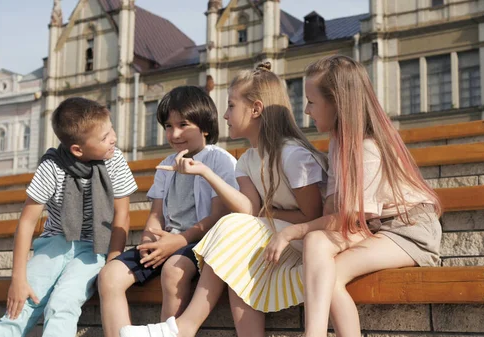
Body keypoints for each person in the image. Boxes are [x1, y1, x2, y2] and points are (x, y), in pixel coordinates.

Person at [120, 62, 328, 337]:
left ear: (255, 109)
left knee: (233, 230)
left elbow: (313, 217)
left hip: (311, 242)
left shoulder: (293, 156)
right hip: (280, 239)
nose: (225, 115)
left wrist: (269, 213)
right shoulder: (247, 160)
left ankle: (183, 328)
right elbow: (250, 210)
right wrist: (206, 172)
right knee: (237, 263)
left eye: (231, 106)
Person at [269, 54, 442, 337]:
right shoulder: (338, 140)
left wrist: (293, 231)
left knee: (330, 271)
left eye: (311, 102)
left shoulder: (367, 147)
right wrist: (310, 236)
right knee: (316, 244)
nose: (307, 111)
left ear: (337, 102)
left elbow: (352, 215)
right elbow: (333, 207)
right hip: (370, 225)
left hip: (407, 229)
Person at [0, 97, 137, 337]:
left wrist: (113, 260)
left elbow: (122, 215)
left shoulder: (114, 159)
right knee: (22, 305)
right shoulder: (52, 166)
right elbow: (26, 222)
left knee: (62, 303)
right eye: (104, 137)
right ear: (78, 149)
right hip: (55, 242)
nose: (113, 139)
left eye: (111, 130)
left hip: (95, 246)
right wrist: (18, 278)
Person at [98, 86, 238, 337]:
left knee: (174, 270)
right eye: (168, 126)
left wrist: (177, 242)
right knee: (109, 276)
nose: (174, 134)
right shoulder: (165, 164)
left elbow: (219, 216)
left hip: (199, 243)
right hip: (167, 240)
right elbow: (156, 214)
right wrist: (150, 240)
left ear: (205, 126)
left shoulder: (219, 160)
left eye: (183, 124)